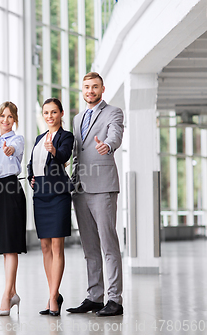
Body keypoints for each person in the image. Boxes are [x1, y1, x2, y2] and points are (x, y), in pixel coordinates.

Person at [66, 72, 124, 317]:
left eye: (94, 87)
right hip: (80, 188)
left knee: (108, 244)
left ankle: (115, 299)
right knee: (89, 247)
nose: (90, 90)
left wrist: (108, 145)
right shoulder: (78, 117)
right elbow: (77, 153)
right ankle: (94, 297)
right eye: (86, 87)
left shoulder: (113, 112)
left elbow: (115, 135)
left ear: (102, 89)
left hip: (102, 186)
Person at [28, 98, 74, 317]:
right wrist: (30, 177)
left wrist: (54, 150)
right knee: (45, 246)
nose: (49, 116)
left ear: (61, 113)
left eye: (53, 112)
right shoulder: (39, 138)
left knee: (57, 247)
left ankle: (53, 298)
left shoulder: (66, 136)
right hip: (40, 194)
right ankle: (53, 293)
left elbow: (65, 155)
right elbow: (32, 163)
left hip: (58, 194)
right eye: (46, 112)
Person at [0, 101, 26, 316]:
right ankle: (14, 293)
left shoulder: (17, 139)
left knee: (10, 246)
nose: (5, 120)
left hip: (10, 189)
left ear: (14, 120)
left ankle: (6, 295)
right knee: (4, 247)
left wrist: (10, 150)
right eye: (2, 116)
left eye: (10, 117)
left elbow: (15, 150)